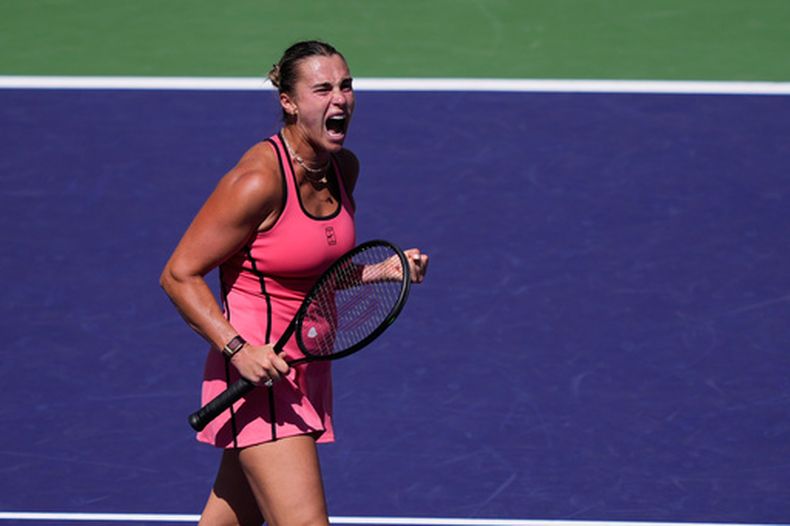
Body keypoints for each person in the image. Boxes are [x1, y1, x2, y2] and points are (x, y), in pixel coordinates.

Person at [160, 40, 429, 526]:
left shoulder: (343, 170)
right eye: (322, 88)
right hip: (258, 376)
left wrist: (380, 271)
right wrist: (239, 348)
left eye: (346, 86)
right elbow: (178, 274)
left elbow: (308, 270)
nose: (340, 99)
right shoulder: (257, 182)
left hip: (303, 369)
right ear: (288, 101)